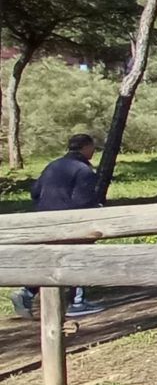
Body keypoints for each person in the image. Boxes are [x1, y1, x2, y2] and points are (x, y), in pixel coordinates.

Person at [10, 134, 106, 319]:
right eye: (92, 147)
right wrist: (97, 209)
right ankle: (78, 302)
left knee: (51, 259)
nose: (93, 151)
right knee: (79, 255)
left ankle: (26, 293)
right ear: (85, 147)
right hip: (69, 222)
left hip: (45, 220)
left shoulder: (53, 165)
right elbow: (82, 201)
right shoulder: (83, 170)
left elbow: (35, 191)